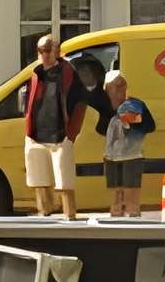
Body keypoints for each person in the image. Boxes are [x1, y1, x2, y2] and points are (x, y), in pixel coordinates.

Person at [18, 33, 101, 219]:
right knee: (38, 177)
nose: (44, 54)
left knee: (64, 178)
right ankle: (43, 211)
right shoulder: (35, 73)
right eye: (40, 50)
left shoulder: (68, 72)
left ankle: (69, 213)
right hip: (36, 134)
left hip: (60, 134)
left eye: (47, 50)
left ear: (57, 51)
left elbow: (81, 102)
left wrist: (71, 132)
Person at [100, 70, 157, 220]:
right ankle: (116, 216)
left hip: (132, 156)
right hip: (111, 157)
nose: (119, 89)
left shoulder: (136, 104)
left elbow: (150, 126)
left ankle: (133, 215)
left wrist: (133, 122)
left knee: (131, 189)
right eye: (114, 86)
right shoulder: (107, 109)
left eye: (121, 85)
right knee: (115, 190)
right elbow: (100, 128)